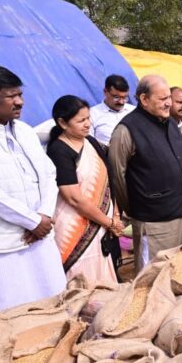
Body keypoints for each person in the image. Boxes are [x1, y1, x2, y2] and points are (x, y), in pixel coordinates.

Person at [0, 64, 66, 310]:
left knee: (53, 301)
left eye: (20, 94)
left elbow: (48, 173)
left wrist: (43, 216)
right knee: (13, 313)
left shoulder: (23, 131)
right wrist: (31, 221)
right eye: (11, 96)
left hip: (39, 236)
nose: (20, 102)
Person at [109, 75, 182, 273]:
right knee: (154, 277)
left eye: (169, 98)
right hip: (155, 222)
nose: (168, 103)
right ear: (144, 99)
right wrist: (138, 208)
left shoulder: (170, 123)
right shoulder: (126, 130)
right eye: (162, 99)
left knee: (181, 273)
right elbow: (117, 178)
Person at [46, 95, 124, 283]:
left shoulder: (91, 142)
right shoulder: (59, 150)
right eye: (81, 120)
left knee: (105, 276)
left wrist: (116, 216)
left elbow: (109, 180)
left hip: (103, 222)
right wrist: (109, 222)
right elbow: (73, 198)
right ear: (63, 123)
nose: (87, 124)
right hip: (75, 226)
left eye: (88, 118)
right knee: (81, 280)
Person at [89, 74, 135, 146]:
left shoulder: (133, 111)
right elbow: (88, 144)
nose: (121, 102)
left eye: (125, 97)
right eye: (116, 97)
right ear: (105, 92)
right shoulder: (92, 114)